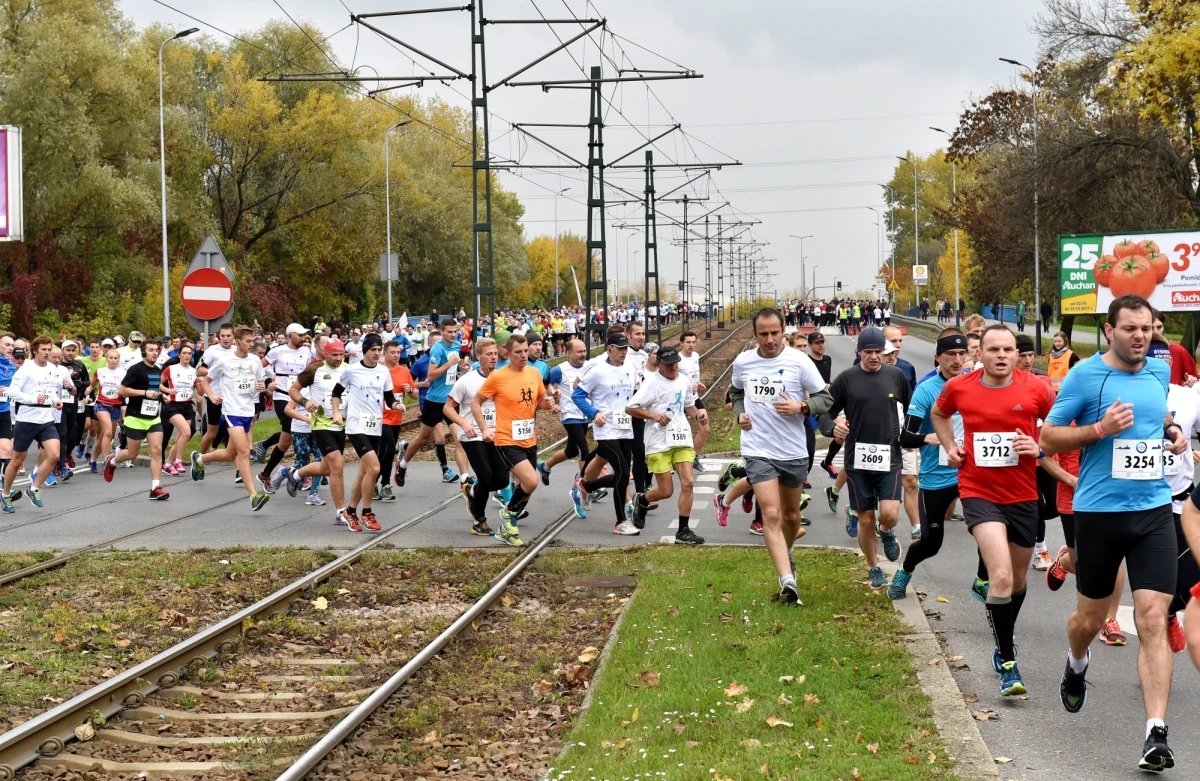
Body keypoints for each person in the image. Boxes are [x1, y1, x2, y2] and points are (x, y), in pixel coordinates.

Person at [1040, 295, 1187, 771]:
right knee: (1088, 620)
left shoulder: (1160, 371)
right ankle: (1077, 662)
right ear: (1109, 331)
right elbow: (1048, 437)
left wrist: (1172, 431)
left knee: (1152, 617)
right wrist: (1099, 429)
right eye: (1130, 328)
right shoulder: (1086, 376)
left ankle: (1155, 734)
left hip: (1153, 511)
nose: (1140, 336)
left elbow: (1158, 414)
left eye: (1147, 328)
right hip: (1099, 513)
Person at [934, 324, 1053, 698]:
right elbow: (939, 414)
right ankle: (1008, 661)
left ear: (1017, 354)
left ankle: (1004, 636)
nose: (1002, 355)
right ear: (979, 353)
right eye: (993, 349)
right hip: (978, 491)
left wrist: (1039, 447)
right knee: (999, 576)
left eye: (1008, 349)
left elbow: (1058, 428)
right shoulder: (960, 387)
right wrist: (950, 446)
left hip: (1023, 494)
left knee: (1017, 581)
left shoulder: (1037, 388)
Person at [729, 308, 830, 605]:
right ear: (755, 334)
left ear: (783, 331)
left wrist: (801, 407)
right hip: (757, 448)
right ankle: (787, 581)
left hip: (792, 450)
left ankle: (787, 554)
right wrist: (740, 414)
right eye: (763, 334)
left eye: (775, 333)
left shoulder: (799, 361)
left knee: (790, 515)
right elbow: (735, 392)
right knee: (771, 514)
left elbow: (825, 398)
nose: (770, 339)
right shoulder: (744, 362)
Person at [827, 328, 911, 588]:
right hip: (857, 460)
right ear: (859, 352)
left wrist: (913, 438)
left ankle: (885, 531)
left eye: (878, 351)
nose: (874, 357)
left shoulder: (896, 377)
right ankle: (873, 567)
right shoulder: (847, 379)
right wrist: (833, 428)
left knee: (890, 514)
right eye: (868, 352)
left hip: (890, 456)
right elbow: (825, 412)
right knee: (865, 519)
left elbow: (911, 411)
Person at [887, 330, 968, 599]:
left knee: (991, 528)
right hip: (937, 476)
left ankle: (983, 579)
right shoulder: (926, 389)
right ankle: (905, 571)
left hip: (971, 474)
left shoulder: (975, 383)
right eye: (950, 354)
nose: (957, 360)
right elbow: (905, 437)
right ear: (938, 357)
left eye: (962, 354)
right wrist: (929, 438)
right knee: (931, 543)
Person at [473, 333, 554, 547]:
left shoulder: (534, 373)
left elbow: (540, 400)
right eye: (518, 352)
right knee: (531, 481)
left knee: (527, 487)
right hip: (506, 439)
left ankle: (506, 529)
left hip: (529, 438)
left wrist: (548, 403)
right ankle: (508, 514)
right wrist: (484, 429)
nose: (524, 355)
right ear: (508, 353)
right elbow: (475, 403)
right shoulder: (498, 377)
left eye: (526, 351)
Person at [626, 345, 706, 544]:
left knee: (688, 482)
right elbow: (631, 408)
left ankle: (683, 531)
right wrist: (653, 415)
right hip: (658, 440)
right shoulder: (651, 383)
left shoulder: (684, 380)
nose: (673, 368)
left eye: (676, 363)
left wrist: (698, 416)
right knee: (666, 491)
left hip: (681, 437)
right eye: (669, 365)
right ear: (659, 364)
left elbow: (688, 404)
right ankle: (642, 500)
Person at [190, 326, 271, 511]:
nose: (251, 345)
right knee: (244, 452)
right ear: (238, 341)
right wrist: (211, 396)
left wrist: (262, 387)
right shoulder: (225, 361)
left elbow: (259, 382)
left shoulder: (255, 361)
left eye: (253, 341)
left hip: (247, 411)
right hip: (231, 411)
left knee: (230, 454)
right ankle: (254, 496)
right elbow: (206, 382)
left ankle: (200, 459)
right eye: (248, 341)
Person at [330, 334, 404, 533]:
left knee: (364, 472)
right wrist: (336, 412)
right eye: (373, 350)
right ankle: (367, 512)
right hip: (356, 426)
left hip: (374, 427)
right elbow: (336, 392)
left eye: (379, 350)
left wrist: (396, 405)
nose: (377, 353)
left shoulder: (383, 371)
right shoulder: (351, 370)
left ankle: (350, 511)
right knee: (375, 468)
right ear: (365, 351)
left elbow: (389, 398)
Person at [570, 333, 638, 534]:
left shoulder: (631, 368)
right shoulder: (598, 371)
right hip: (606, 429)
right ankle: (620, 522)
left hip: (625, 428)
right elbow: (577, 395)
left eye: (626, 348)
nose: (624, 352)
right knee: (623, 473)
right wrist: (593, 413)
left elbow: (634, 394)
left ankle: (586, 485)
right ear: (609, 349)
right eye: (620, 348)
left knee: (622, 475)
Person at [445, 338, 504, 536]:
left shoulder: (502, 378)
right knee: (485, 477)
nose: (494, 357)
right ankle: (480, 521)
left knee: (502, 480)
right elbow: (448, 408)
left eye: (495, 353)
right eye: (489, 354)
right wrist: (464, 423)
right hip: (472, 435)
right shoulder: (466, 381)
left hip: (496, 434)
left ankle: (472, 490)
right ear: (478, 357)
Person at [395, 318, 461, 487]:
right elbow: (430, 376)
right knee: (424, 437)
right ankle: (403, 464)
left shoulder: (457, 346)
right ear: (442, 331)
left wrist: (461, 367)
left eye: (455, 331)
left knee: (459, 438)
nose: (453, 335)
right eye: (449, 332)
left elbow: (454, 371)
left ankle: (465, 477)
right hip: (434, 401)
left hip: (451, 401)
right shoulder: (437, 350)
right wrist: (450, 363)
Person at [0, 337, 63, 512]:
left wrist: (56, 400)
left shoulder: (52, 368)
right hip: (27, 420)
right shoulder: (25, 370)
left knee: (54, 455)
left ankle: (33, 489)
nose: (47, 353)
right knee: (17, 460)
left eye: (49, 349)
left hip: (46, 419)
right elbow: (12, 392)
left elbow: (50, 390)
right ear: (35, 351)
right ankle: (5, 494)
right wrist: (32, 399)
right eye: (44, 349)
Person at [104, 339, 168, 499]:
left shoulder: (157, 370)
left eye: (156, 350)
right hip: (135, 417)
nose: (155, 353)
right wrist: (144, 393)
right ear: (144, 352)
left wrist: (163, 395)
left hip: (153, 417)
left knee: (157, 450)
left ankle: (155, 488)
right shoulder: (136, 369)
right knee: (132, 453)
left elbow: (153, 388)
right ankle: (112, 461)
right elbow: (122, 390)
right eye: (151, 350)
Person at [255, 324, 314, 488]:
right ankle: (302, 474)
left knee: (286, 439)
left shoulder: (306, 352)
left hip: (299, 396)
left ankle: (265, 473)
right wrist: (268, 381)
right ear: (289, 335)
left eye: (304, 335)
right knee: (294, 430)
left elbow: (310, 372)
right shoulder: (277, 351)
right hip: (281, 396)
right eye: (299, 335)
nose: (303, 338)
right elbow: (257, 367)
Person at [538, 338, 589, 487]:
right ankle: (584, 485)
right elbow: (543, 385)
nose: (583, 354)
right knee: (584, 450)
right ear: (569, 352)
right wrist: (551, 398)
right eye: (579, 352)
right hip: (570, 415)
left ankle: (545, 466)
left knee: (572, 450)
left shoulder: (590, 367)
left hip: (585, 414)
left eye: (584, 351)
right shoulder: (559, 370)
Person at [376, 341, 415, 501]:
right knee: (390, 450)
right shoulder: (378, 370)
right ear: (384, 353)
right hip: (380, 418)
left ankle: (371, 482)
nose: (396, 355)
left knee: (384, 453)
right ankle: (385, 484)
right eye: (392, 352)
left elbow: (415, 395)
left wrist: (410, 390)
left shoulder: (404, 371)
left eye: (398, 352)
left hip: (396, 418)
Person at [198, 324, 236, 456]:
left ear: (233, 337)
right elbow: (199, 370)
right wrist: (216, 371)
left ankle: (231, 458)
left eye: (228, 336)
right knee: (212, 433)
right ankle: (199, 458)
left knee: (233, 429)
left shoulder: (237, 351)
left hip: (232, 397)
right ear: (219, 336)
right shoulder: (212, 351)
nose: (225, 339)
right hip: (214, 396)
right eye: (223, 336)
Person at [161, 344, 198, 475]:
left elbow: (199, 390)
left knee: (182, 437)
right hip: (173, 405)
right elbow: (158, 384)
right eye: (184, 353)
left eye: (189, 353)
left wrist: (202, 383)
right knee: (186, 432)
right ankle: (178, 461)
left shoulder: (193, 371)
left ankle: (168, 464)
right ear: (179, 355)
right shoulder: (171, 369)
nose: (187, 356)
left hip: (187, 406)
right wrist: (167, 391)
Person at [677, 332, 709, 474]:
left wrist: (698, 382)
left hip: (694, 397)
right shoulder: (678, 359)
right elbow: (673, 377)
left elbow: (691, 374)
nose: (691, 345)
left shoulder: (696, 356)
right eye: (688, 342)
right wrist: (688, 386)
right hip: (681, 399)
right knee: (680, 431)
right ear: (681, 343)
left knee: (705, 428)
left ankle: (693, 457)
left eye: (693, 342)